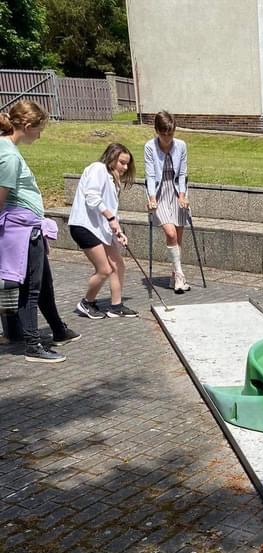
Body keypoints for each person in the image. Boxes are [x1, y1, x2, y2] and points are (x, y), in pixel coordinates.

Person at [0, 100, 81, 362]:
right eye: (39, 129)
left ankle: (56, 330)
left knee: (42, 283)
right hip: (22, 231)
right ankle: (33, 346)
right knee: (29, 289)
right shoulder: (9, 156)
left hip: (28, 228)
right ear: (26, 125)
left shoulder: (7, 148)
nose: (40, 134)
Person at [69, 143, 139, 319]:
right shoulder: (98, 168)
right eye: (122, 162)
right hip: (84, 226)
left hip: (100, 229)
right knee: (104, 270)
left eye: (127, 164)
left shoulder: (113, 181)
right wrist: (111, 218)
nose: (125, 168)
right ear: (111, 158)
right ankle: (87, 302)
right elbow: (92, 198)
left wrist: (118, 231)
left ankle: (116, 306)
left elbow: (110, 211)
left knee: (118, 265)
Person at [144, 110, 191, 293]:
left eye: (170, 134)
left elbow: (183, 173)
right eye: (163, 134)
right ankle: (179, 274)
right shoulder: (150, 147)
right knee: (170, 234)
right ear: (157, 131)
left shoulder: (181, 146)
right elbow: (150, 174)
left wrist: (182, 195)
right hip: (160, 193)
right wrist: (152, 198)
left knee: (178, 237)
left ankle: (174, 276)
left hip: (176, 191)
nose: (167, 138)